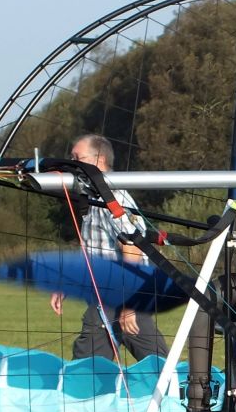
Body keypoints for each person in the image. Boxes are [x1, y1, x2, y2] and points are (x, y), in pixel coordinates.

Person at [49, 133, 169, 362]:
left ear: (99, 160)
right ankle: (173, 380)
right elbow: (94, 250)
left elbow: (133, 246)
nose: (71, 164)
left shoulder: (113, 197)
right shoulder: (92, 198)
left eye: (78, 158)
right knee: (152, 361)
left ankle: (178, 383)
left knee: (88, 363)